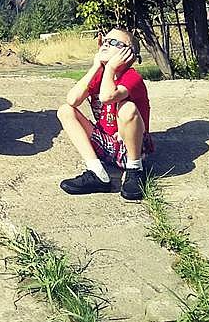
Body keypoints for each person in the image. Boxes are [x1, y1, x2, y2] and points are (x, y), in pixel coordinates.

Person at [57, 28, 154, 200]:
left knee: (127, 108)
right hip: (105, 144)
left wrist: (109, 69)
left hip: (129, 146)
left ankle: (135, 169)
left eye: (115, 43)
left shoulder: (132, 77)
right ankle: (97, 173)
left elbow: (107, 97)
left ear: (128, 54)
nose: (106, 45)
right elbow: (72, 99)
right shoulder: (100, 75)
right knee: (65, 110)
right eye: (105, 41)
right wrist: (96, 67)